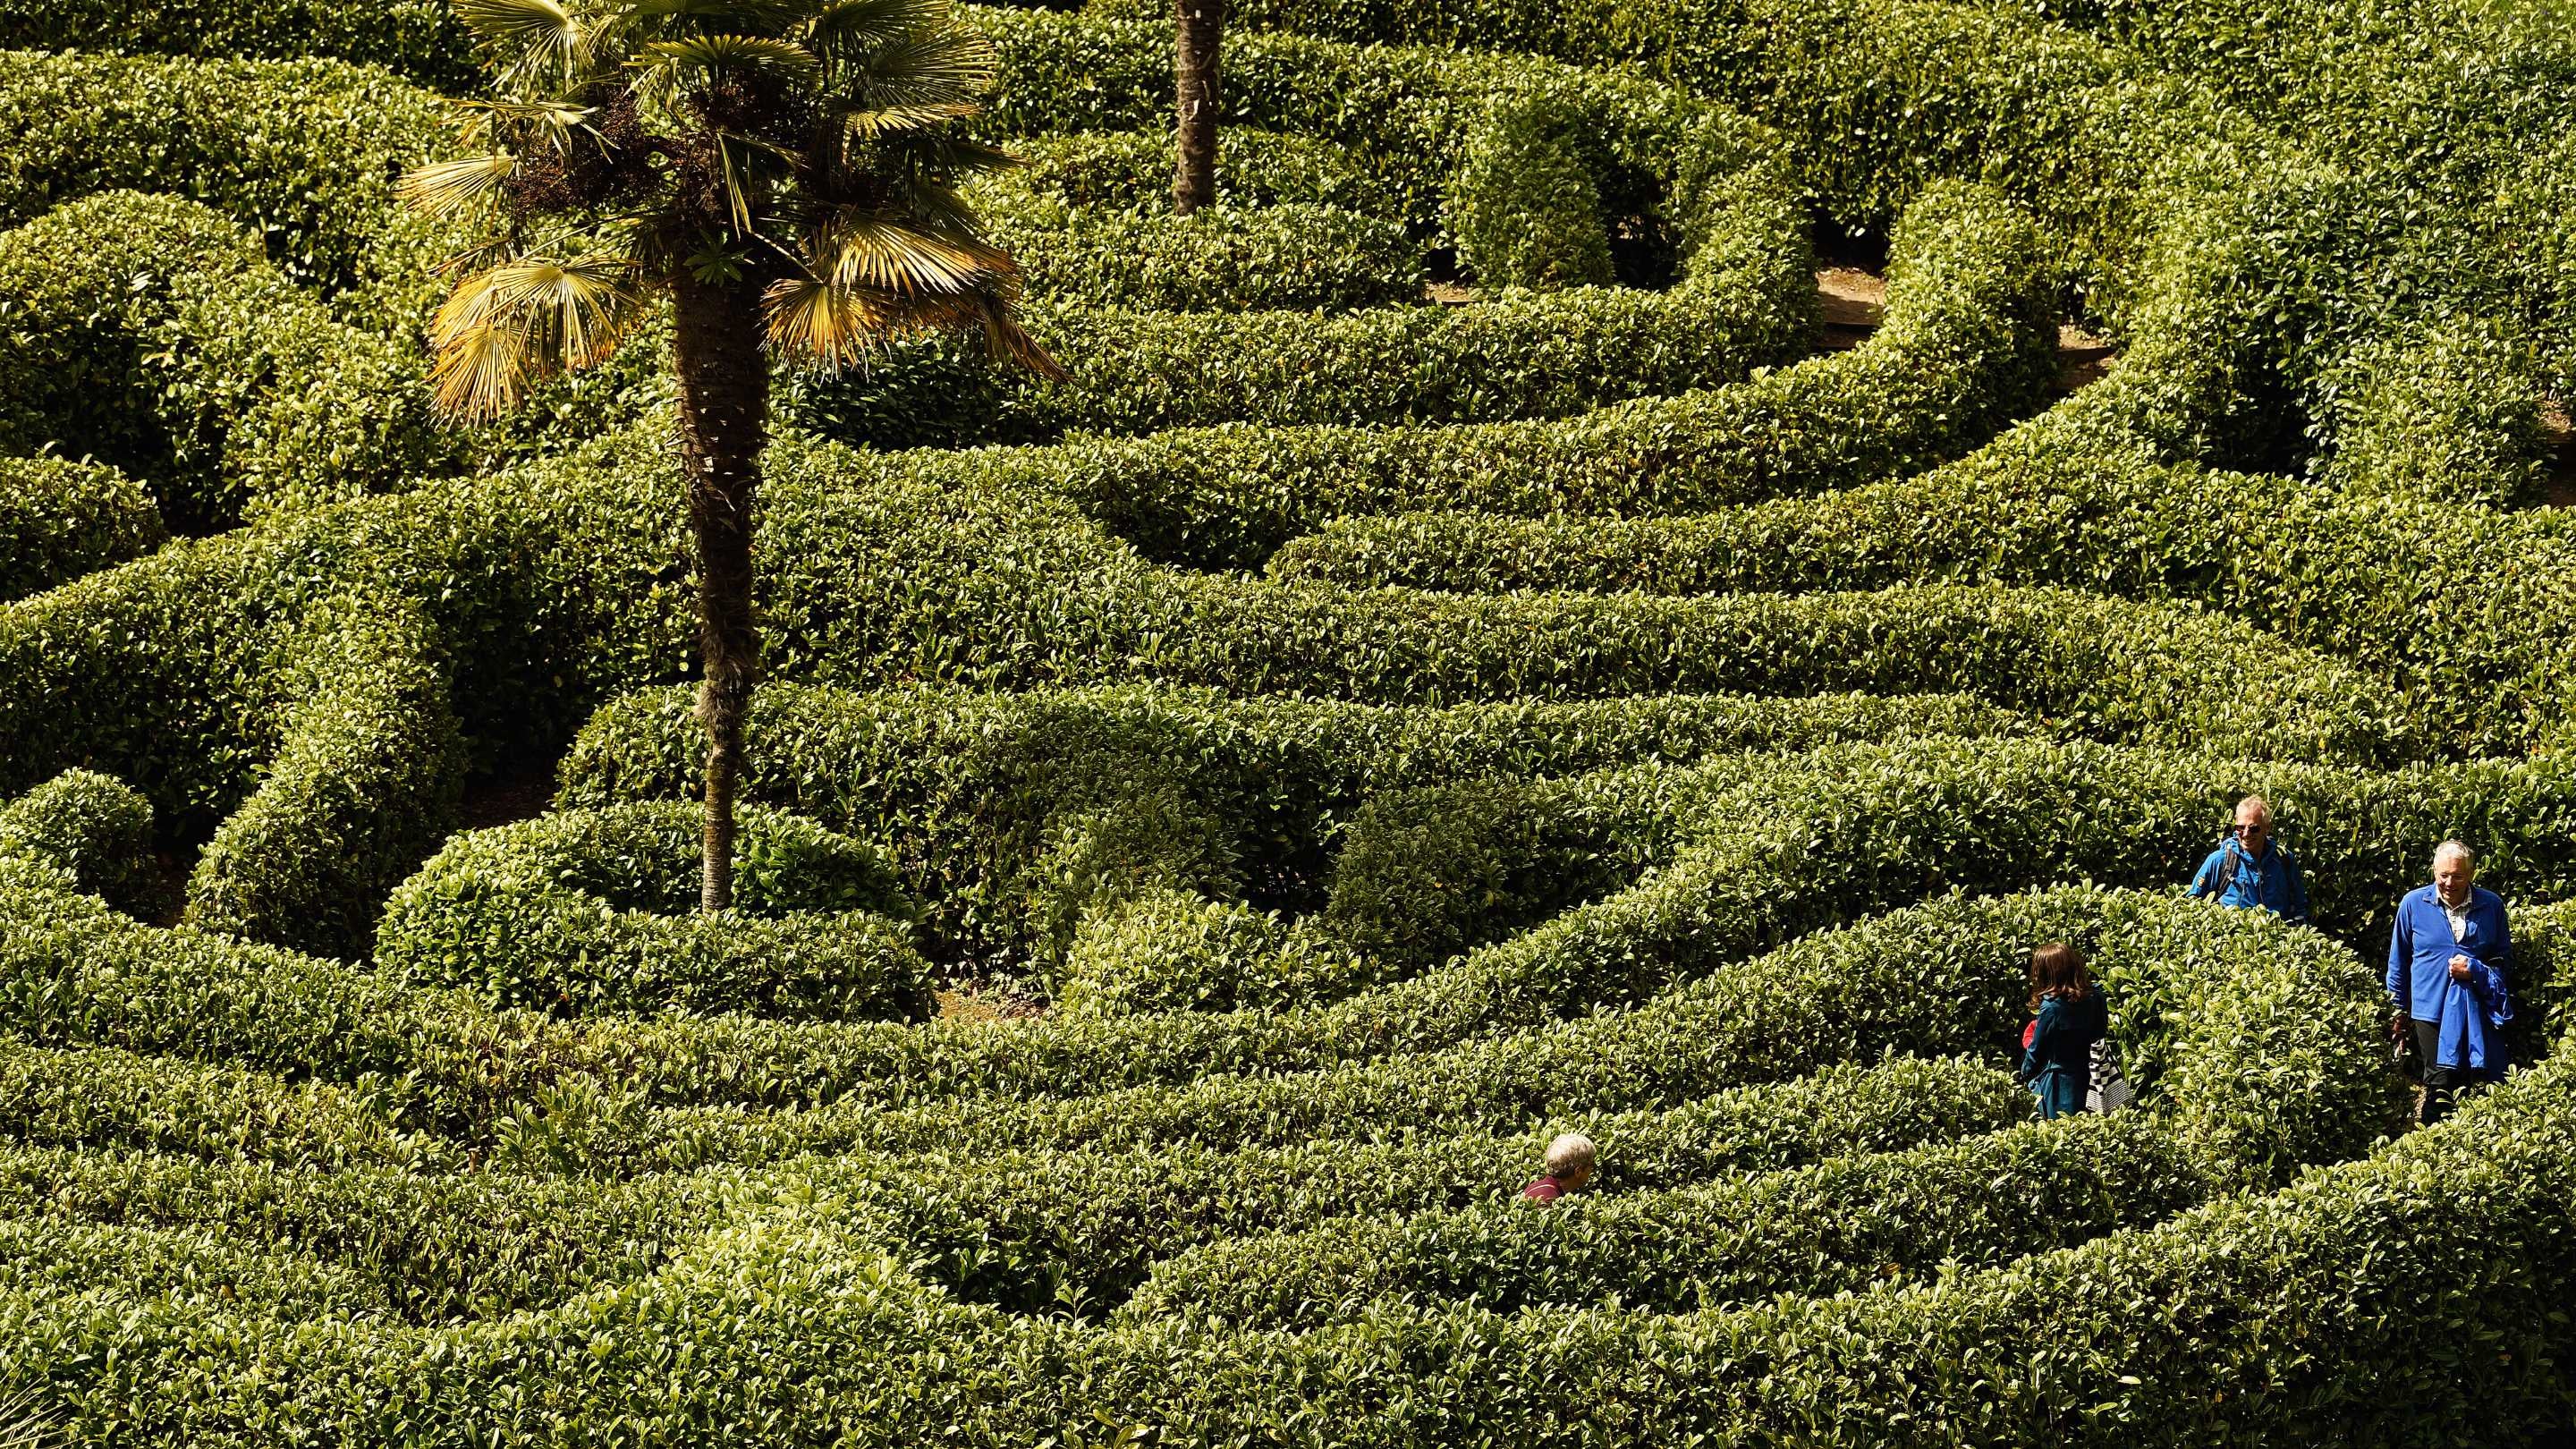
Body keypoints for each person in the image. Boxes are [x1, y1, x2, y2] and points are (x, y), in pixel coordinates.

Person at [2386, 840, 2512, 1127]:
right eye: (2443, 875)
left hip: (2475, 1011)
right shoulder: (2413, 904)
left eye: (2457, 876)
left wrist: (2476, 970)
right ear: (2433, 872)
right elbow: (2399, 962)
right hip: (2429, 1011)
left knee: (2474, 1085)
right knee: (2439, 1084)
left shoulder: (2491, 905)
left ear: (2471, 874)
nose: (2449, 882)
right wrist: (2398, 1011)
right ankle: (2432, 1151)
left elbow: (2504, 960)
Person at [2185, 795, 2310, 923]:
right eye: (2240, 827)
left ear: (2267, 828)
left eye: (2254, 828)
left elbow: (2300, 906)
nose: (2246, 834)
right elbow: (2193, 904)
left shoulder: (2284, 859)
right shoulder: (2219, 860)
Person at [2019, 942, 2107, 1120]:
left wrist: (2025, 1073)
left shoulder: (2051, 1008)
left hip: (2061, 1086)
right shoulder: (2096, 996)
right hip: (2093, 1079)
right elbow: (2100, 1034)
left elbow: (2037, 1053)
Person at [1520, 1132, 1595, 1201]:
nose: (1592, 1169)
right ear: (1578, 1172)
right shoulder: (1547, 1198)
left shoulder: (1545, 1188)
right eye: (1591, 1164)